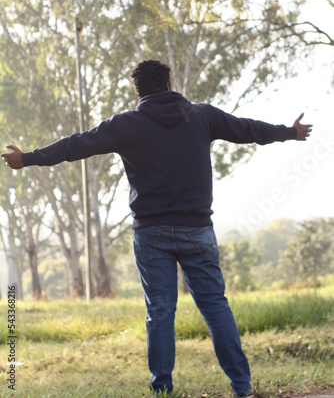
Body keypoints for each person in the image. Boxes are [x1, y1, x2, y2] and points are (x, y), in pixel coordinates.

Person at [2, 59, 312, 397]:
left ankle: (162, 391)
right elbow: (248, 129)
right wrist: (290, 133)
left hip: (151, 234)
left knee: (160, 313)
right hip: (197, 229)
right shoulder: (202, 115)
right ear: (168, 85)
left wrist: (28, 158)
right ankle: (243, 388)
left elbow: (75, 145)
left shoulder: (126, 124)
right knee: (215, 306)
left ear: (138, 92)